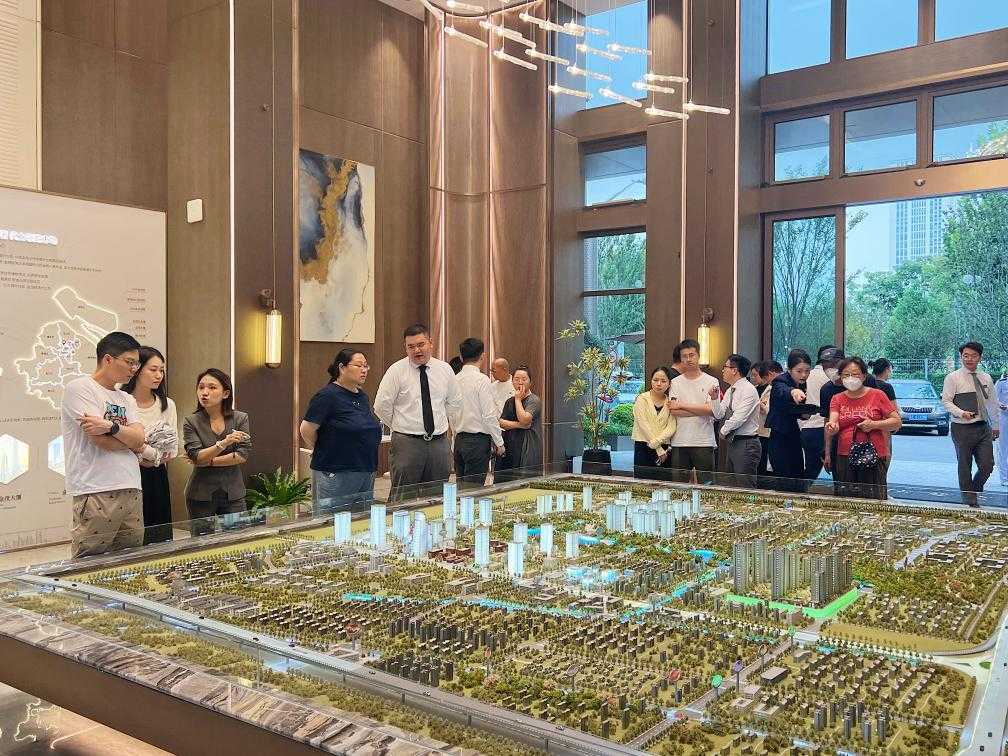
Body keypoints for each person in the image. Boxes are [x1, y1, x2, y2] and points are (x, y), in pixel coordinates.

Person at [61, 332, 147, 558]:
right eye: (129, 362)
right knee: (90, 562)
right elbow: (101, 441)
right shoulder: (80, 388)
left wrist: (111, 427)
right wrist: (128, 438)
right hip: (96, 488)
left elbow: (140, 439)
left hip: (131, 486)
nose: (134, 369)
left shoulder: (126, 398)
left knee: (131, 560)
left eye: (136, 364)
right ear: (108, 359)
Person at [374, 324, 462, 499]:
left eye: (421, 344)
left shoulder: (444, 369)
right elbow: (381, 406)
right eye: (411, 346)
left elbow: (455, 402)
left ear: (430, 343)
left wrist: (439, 421)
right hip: (407, 443)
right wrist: (400, 425)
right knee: (403, 497)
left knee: (437, 496)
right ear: (405, 348)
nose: (416, 350)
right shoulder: (396, 371)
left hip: (438, 442)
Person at [300, 349, 381, 513]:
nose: (364, 370)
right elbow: (306, 429)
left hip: (365, 469)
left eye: (366, 366)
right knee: (331, 522)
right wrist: (323, 447)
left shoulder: (362, 397)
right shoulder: (327, 396)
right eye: (359, 365)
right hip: (336, 471)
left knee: (360, 522)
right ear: (342, 368)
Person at [182, 369, 251, 534]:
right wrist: (224, 443)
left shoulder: (240, 418)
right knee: (202, 543)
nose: (204, 392)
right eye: (201, 387)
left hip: (233, 493)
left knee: (238, 540)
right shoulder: (191, 422)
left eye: (212, 387)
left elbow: (242, 455)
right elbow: (196, 456)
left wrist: (209, 461)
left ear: (225, 393)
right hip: (200, 493)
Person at [122, 346, 178, 544]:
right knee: (130, 537)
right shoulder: (121, 401)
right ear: (137, 370)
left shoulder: (167, 404)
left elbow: (171, 449)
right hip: (126, 475)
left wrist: (142, 450)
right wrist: (147, 451)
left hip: (156, 475)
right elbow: (119, 442)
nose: (159, 375)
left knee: (158, 535)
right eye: (153, 369)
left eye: (161, 370)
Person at [825, 357, 901, 499]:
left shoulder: (878, 395)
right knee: (847, 499)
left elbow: (896, 422)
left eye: (855, 374)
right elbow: (833, 420)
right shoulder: (837, 398)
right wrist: (832, 427)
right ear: (840, 377)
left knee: (874, 499)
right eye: (846, 375)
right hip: (845, 456)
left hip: (873, 455)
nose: (850, 378)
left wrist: (874, 425)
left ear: (864, 376)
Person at [941, 341, 1000, 506]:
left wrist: (996, 425)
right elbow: (946, 402)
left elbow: (992, 403)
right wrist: (961, 412)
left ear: (980, 358)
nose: (969, 359)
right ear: (961, 357)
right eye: (965, 356)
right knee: (964, 465)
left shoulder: (986, 377)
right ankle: (970, 500)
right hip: (961, 427)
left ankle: (975, 488)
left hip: (983, 426)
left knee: (987, 465)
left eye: (973, 356)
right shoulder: (953, 378)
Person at [666, 339, 722, 483]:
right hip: (680, 441)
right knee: (679, 487)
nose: (688, 359)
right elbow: (674, 410)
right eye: (684, 356)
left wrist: (682, 405)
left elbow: (712, 409)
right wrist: (702, 409)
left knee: (707, 485)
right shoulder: (675, 382)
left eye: (692, 355)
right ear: (680, 358)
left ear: (699, 355)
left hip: (704, 441)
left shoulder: (712, 381)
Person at [453, 338, 505, 487]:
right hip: (477, 442)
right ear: (482, 356)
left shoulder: (454, 380)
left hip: (459, 440)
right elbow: (489, 415)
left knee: (460, 488)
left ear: (461, 357)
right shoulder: (482, 380)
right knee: (473, 490)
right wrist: (499, 442)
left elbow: (450, 413)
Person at [766, 349, 815, 490]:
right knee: (784, 478)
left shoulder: (801, 383)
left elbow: (789, 409)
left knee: (798, 475)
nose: (804, 375)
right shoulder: (780, 380)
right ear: (789, 369)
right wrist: (793, 391)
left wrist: (803, 414)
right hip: (779, 436)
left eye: (807, 371)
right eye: (799, 371)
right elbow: (782, 390)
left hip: (793, 434)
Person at [799, 346, 844, 485]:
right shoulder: (827, 384)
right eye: (827, 364)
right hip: (822, 428)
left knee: (809, 469)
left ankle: (801, 490)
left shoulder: (807, 376)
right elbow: (827, 417)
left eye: (833, 364)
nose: (830, 368)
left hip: (806, 428)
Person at [718, 354, 762, 488]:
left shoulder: (749, 390)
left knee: (745, 487)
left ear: (734, 370)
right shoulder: (730, 390)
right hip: (733, 442)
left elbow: (739, 418)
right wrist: (714, 398)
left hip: (746, 443)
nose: (723, 370)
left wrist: (723, 431)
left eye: (725, 367)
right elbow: (719, 413)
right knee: (731, 485)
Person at [496, 365, 543, 481]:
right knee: (504, 481)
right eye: (516, 379)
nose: (520, 382)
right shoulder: (509, 401)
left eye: (524, 379)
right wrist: (520, 425)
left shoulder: (534, 400)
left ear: (530, 382)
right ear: (512, 381)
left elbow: (525, 419)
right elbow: (501, 422)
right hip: (509, 446)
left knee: (523, 482)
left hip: (526, 448)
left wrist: (517, 399)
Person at [632, 366, 677, 480]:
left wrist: (658, 443)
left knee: (663, 483)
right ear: (651, 381)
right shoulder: (642, 399)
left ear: (669, 384)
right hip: (643, 445)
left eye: (663, 381)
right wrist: (658, 449)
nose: (659, 384)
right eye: (655, 380)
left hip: (665, 447)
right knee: (642, 484)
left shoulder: (670, 402)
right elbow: (643, 424)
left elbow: (672, 426)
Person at [755, 360, 783, 478]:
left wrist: (763, 407)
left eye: (766, 378)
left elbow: (775, 411)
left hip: (776, 431)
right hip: (764, 431)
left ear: (770, 374)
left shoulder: (781, 388)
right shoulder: (771, 387)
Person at [997, 371, 1008, 487]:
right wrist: (1001, 405)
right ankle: (1004, 478)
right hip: (1004, 417)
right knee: (1003, 448)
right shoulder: (1001, 382)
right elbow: (993, 399)